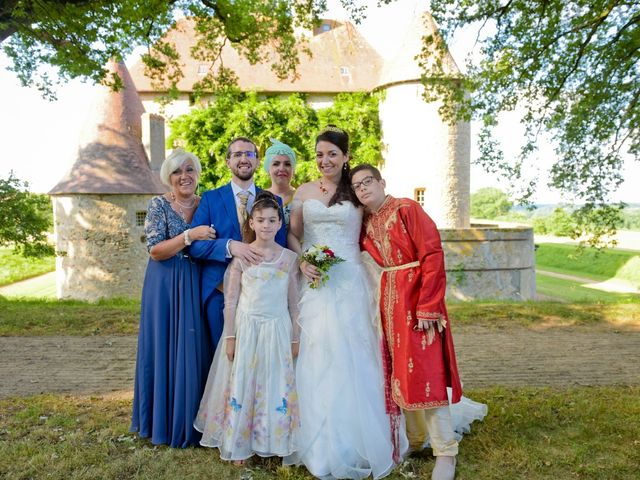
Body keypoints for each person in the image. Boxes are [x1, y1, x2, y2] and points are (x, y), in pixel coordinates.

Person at [350, 164, 487, 480]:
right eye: (357, 186)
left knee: (427, 374)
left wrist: (428, 306)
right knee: (401, 374)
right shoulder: (368, 223)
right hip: (389, 304)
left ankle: (445, 452)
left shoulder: (406, 209)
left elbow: (432, 255)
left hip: (416, 301)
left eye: (368, 181)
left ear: (382, 182)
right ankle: (415, 439)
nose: (363, 188)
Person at [284, 126, 406, 479]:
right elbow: (293, 233)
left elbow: (380, 221)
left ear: (345, 157)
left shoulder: (358, 190)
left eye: (332, 154)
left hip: (351, 280)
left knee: (355, 352)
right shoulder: (304, 191)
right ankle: (318, 442)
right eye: (320, 154)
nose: (325, 161)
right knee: (317, 351)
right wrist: (304, 259)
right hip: (316, 281)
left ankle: (364, 438)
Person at [194, 191, 301, 463]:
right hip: (247, 329)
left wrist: (295, 338)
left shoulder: (288, 259)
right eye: (261, 220)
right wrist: (230, 336)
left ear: (279, 224)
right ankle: (239, 441)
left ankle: (272, 438)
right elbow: (230, 301)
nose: (266, 225)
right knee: (244, 380)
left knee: (273, 382)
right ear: (251, 223)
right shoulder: (242, 257)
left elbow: (294, 303)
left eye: (272, 220)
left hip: (277, 329)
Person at [130, 148, 217, 448]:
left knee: (194, 347)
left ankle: (194, 423)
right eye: (178, 171)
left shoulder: (208, 204)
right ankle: (162, 422)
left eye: (190, 170)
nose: (184, 176)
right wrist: (189, 236)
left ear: (197, 174)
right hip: (164, 284)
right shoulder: (158, 205)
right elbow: (155, 250)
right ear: (169, 176)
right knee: (164, 346)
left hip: (196, 282)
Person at [190, 137, 288, 350]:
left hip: (263, 298)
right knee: (225, 359)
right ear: (228, 162)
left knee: (259, 362)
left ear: (257, 160)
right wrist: (229, 246)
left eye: (249, 154)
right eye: (237, 154)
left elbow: (281, 248)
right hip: (221, 292)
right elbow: (194, 247)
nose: (243, 159)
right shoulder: (210, 198)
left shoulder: (273, 200)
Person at [264, 138, 297, 228]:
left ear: (293, 170)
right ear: (268, 169)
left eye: (287, 164)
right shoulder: (259, 197)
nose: (282, 169)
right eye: (276, 164)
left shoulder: (302, 197)